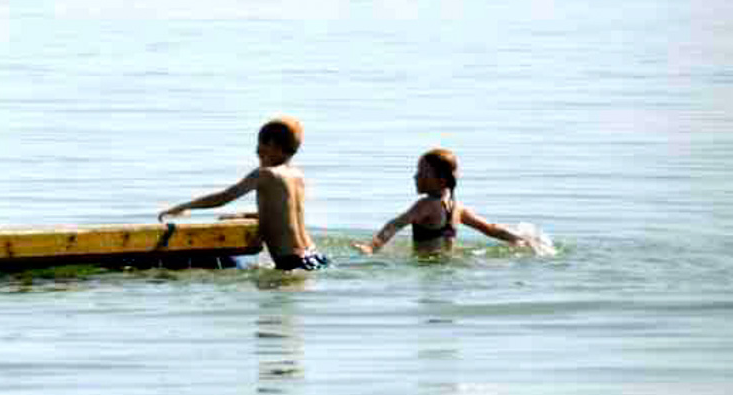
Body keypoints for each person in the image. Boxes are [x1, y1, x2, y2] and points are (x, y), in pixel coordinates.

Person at [158, 116, 329, 271]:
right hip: (314, 255)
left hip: (291, 261)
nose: (258, 156)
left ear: (270, 145)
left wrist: (184, 207)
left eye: (259, 151)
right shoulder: (297, 176)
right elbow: (284, 215)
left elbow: (223, 197)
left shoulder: (265, 174)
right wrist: (243, 215)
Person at [354, 148, 526, 255]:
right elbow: (490, 228)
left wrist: (372, 247)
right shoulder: (457, 208)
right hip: (448, 262)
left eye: (422, 173)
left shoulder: (426, 205)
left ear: (441, 180)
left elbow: (396, 224)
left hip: (427, 266)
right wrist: (518, 238)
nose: (416, 176)